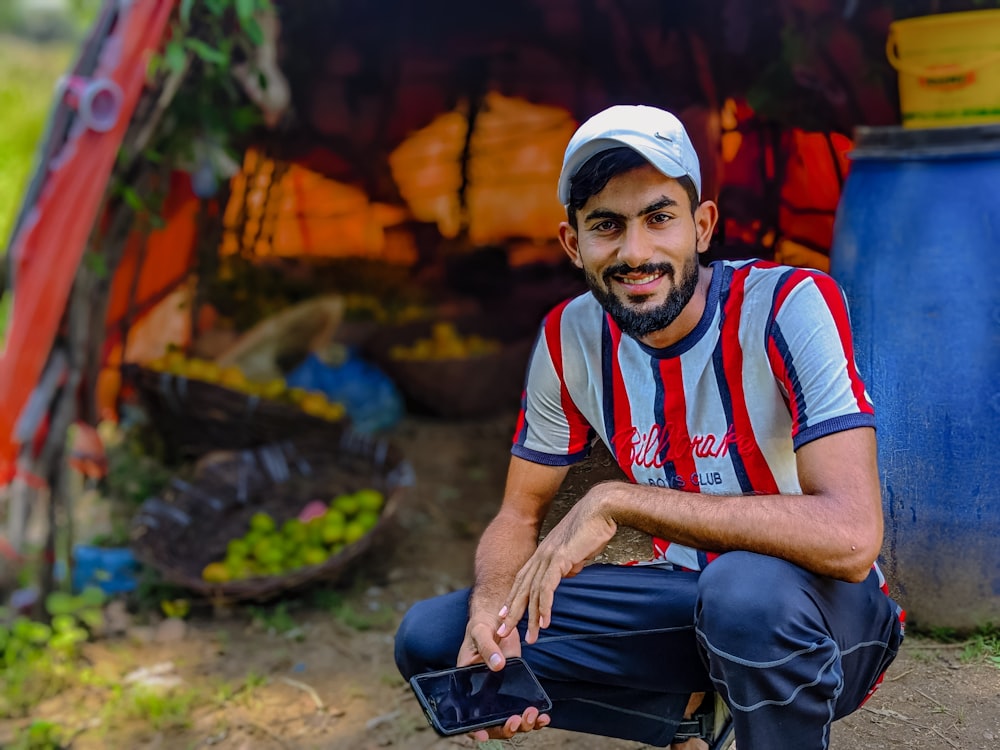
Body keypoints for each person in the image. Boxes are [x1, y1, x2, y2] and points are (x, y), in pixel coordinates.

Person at [394, 104, 905, 750]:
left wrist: (619, 499)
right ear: (571, 243)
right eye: (607, 225)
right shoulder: (568, 340)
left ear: (702, 225)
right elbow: (519, 516)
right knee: (435, 642)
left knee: (742, 593)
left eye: (658, 218)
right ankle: (699, 719)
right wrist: (489, 623)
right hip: (687, 602)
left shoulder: (789, 306)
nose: (635, 252)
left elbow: (853, 536)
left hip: (827, 615)